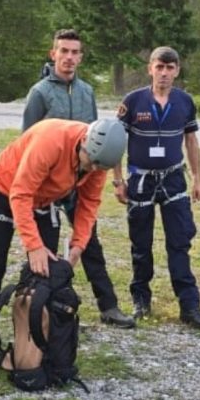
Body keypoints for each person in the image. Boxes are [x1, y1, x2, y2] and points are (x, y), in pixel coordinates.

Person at [0, 118, 127, 370]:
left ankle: (37, 343)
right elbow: (20, 194)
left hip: (45, 200)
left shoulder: (99, 163)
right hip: (4, 189)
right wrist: (33, 246)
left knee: (47, 274)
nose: (93, 170)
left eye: (99, 167)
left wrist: (78, 246)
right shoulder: (51, 141)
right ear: (84, 141)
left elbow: (88, 205)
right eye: (91, 163)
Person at [22, 29, 134, 329]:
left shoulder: (86, 91)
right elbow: (27, 141)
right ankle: (43, 309)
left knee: (89, 242)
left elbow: (100, 137)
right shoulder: (40, 93)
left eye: (75, 52)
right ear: (53, 54)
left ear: (81, 57)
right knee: (45, 245)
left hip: (79, 180)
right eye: (64, 51)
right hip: (47, 183)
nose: (69, 57)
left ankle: (108, 306)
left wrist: (114, 178)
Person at [114, 46, 200, 330]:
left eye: (170, 68)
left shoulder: (185, 101)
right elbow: (116, 142)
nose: (164, 73)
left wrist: (196, 178)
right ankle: (141, 299)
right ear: (150, 69)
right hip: (141, 179)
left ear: (177, 71)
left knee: (179, 241)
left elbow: (191, 141)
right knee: (141, 243)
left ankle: (189, 305)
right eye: (159, 67)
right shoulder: (132, 101)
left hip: (173, 179)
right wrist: (119, 181)